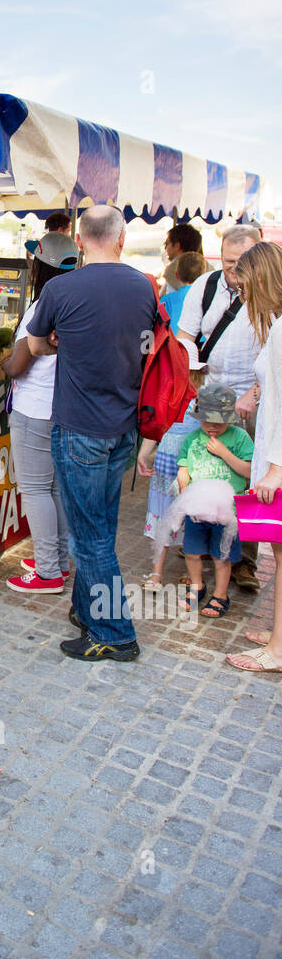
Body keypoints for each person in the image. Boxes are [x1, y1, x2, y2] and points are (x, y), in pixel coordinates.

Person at [27, 204, 157, 662]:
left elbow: (36, 343)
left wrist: (60, 340)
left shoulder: (62, 288)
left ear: (79, 241)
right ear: (121, 239)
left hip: (80, 427)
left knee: (90, 537)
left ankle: (115, 632)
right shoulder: (143, 286)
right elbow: (147, 346)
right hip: (122, 428)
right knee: (98, 525)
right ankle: (86, 610)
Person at [177, 223, 262, 591]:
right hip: (211, 396)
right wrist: (192, 372)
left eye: (241, 263)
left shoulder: (269, 292)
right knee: (205, 473)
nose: (234, 270)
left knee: (249, 479)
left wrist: (254, 395)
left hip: (254, 401)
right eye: (228, 262)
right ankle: (200, 555)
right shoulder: (206, 285)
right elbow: (185, 336)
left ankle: (244, 560)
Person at [3, 232, 79, 595]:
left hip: (34, 410)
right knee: (55, 491)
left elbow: (18, 365)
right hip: (62, 408)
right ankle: (58, 562)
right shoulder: (77, 301)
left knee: (35, 491)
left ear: (40, 266)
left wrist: (2, 362)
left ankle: (48, 572)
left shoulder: (40, 307)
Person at [225, 242, 282, 672]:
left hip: (276, 460)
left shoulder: (281, 330)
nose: (242, 297)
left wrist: (274, 470)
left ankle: (277, 650)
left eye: (245, 288)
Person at [175, 383, 253, 619]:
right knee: (191, 552)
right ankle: (197, 585)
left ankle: (220, 594)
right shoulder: (192, 438)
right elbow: (184, 468)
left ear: (230, 418)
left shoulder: (239, 438)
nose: (212, 426)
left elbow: (249, 471)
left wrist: (224, 453)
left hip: (226, 511)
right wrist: (183, 488)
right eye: (207, 420)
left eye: (218, 421)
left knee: (222, 555)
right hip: (197, 509)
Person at [137, 340, 207, 591]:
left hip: (191, 465)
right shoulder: (166, 392)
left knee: (189, 518)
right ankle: (158, 572)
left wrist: (145, 454)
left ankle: (187, 571)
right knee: (167, 516)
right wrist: (144, 455)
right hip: (168, 465)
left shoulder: (201, 397)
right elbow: (155, 428)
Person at [160, 251, 207, 333]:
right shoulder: (208, 299)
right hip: (200, 344)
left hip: (174, 343)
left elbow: (158, 326)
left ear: (176, 275)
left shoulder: (166, 300)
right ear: (203, 276)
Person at [161, 222, 204, 292]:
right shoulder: (209, 268)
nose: (165, 248)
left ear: (177, 246)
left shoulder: (173, 269)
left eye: (167, 243)